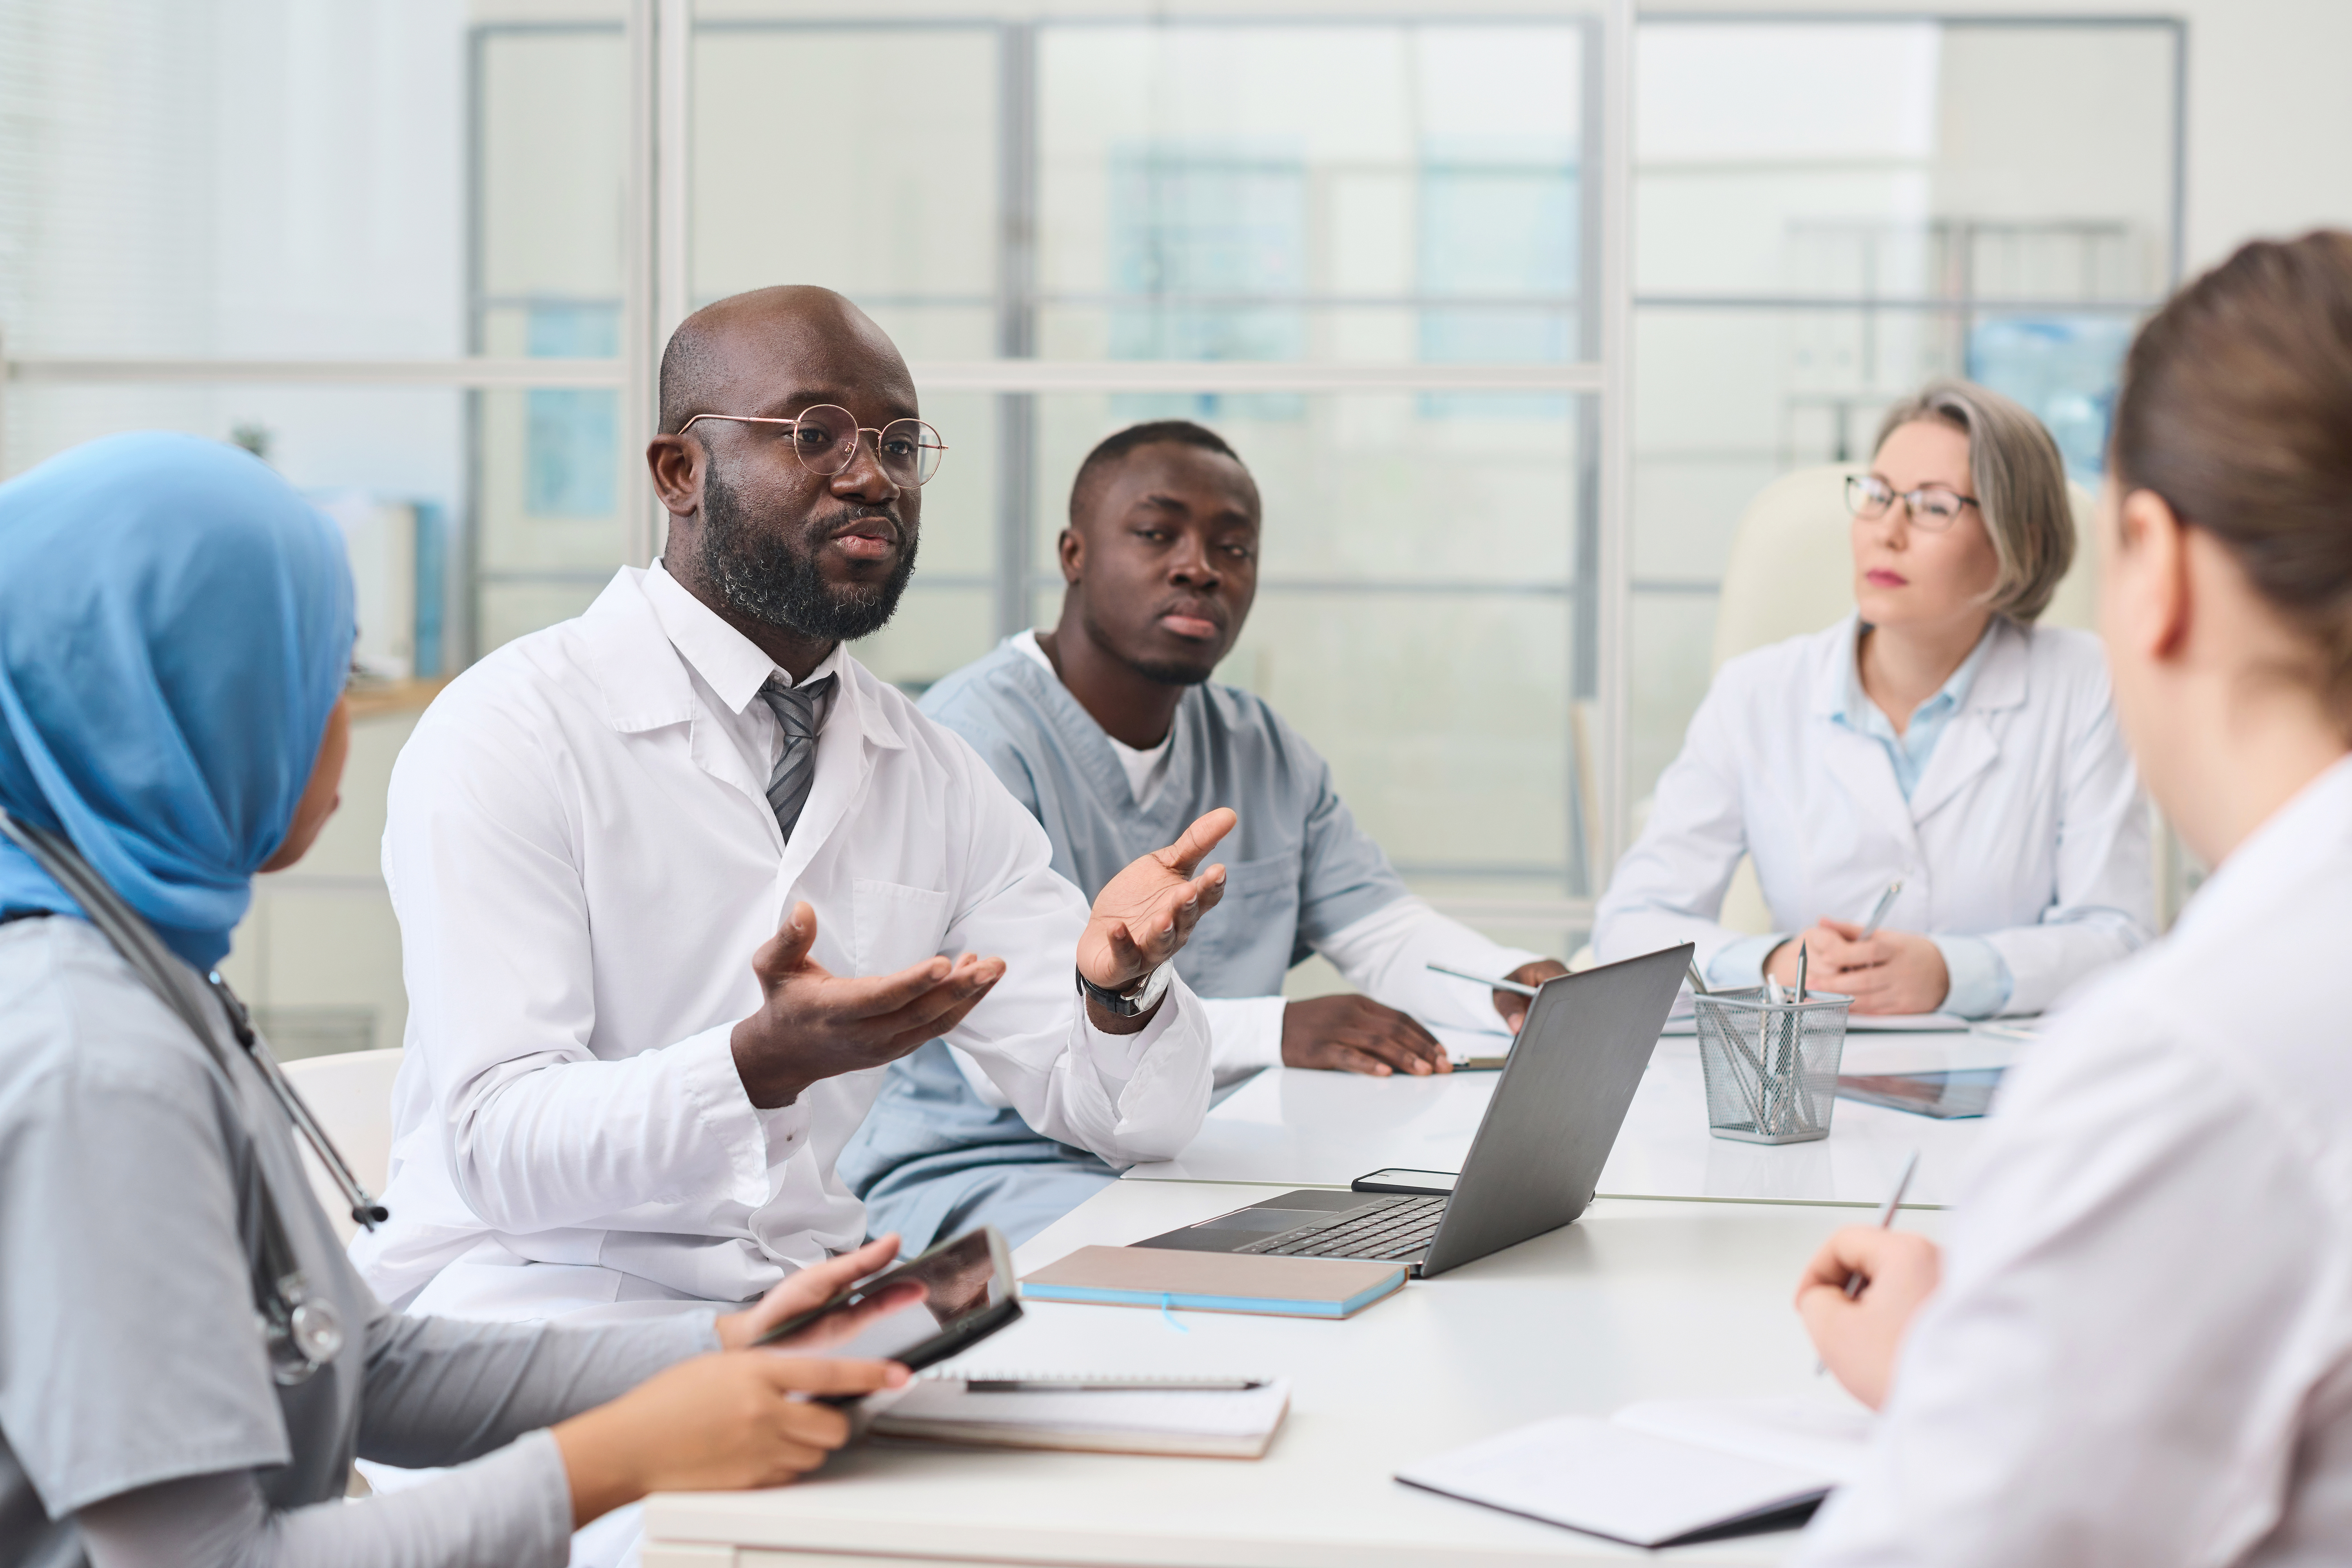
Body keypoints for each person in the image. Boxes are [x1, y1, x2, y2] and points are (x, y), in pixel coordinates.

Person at [0, 432, 918, 1568]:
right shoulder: (94, 1058)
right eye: (321, 678)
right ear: (179, 710)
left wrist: (716, 1351)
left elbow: (362, 1365)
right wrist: (618, 1460)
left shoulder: (142, 974)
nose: (344, 726)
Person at [351, 287, 1231, 1333]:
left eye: (902, 446)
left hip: (804, 1303)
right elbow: (499, 1147)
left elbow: (1135, 1122)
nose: (871, 477)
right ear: (680, 472)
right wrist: (750, 1066)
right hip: (536, 1308)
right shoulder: (509, 731)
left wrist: (1115, 994)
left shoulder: (930, 770)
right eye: (814, 435)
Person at [1792, 231, 2352, 1563]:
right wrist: (2002, 1338)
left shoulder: (2194, 1061)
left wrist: (1966, 1371)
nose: (1892, 526)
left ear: (2149, 560)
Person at [838, 420, 1570, 1252]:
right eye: (1157, 534)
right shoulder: (969, 742)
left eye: (1236, 549)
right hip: (997, 1171)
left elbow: (1382, 929)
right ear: (1074, 554)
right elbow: (1018, 1049)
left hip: (1203, 1157)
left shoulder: (1256, 742)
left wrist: (1504, 981)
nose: (1201, 568)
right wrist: (1276, 1028)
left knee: (1459, 1238)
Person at [1593, 379, 2152, 1017]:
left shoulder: (2087, 685)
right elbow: (1630, 926)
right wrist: (1773, 964)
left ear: (2016, 545)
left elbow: (2121, 938)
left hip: (2004, 1089)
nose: (1887, 531)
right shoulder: (1759, 693)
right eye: (1878, 496)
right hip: (1803, 1087)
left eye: (1933, 507)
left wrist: (1953, 974)